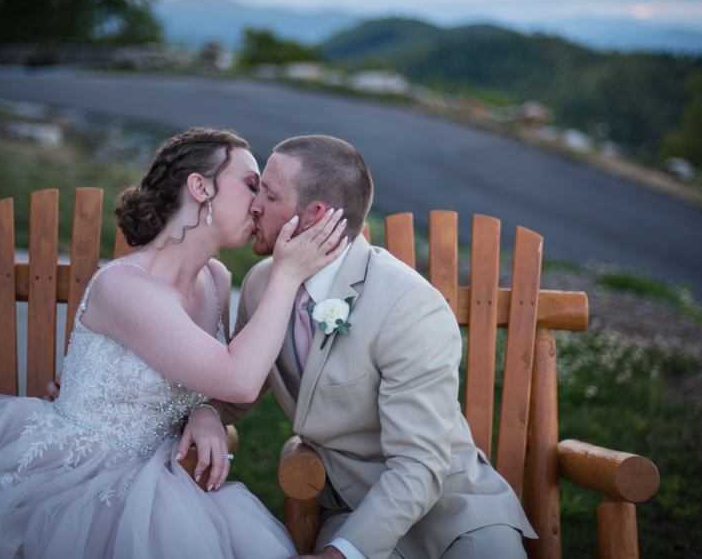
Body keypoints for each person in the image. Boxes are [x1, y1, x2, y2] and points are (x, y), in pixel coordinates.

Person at [0, 128, 348, 559]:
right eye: (250, 185)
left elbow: (226, 383)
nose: (260, 203)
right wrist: (287, 275)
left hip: (158, 475)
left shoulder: (216, 280)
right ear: (200, 188)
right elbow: (239, 377)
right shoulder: (123, 287)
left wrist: (206, 412)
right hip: (73, 476)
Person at [218, 135, 537, 559]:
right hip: (352, 510)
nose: (254, 205)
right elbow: (236, 388)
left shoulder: (408, 306)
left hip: (455, 512)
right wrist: (207, 413)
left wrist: (340, 555)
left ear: (315, 216)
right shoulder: (262, 285)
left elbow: (420, 465)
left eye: (269, 195)